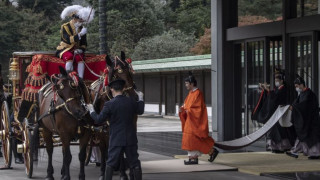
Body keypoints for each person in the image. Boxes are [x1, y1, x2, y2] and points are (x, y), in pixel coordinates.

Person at [87, 79, 144, 180]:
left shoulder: (109, 104)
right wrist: (140, 99)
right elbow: (140, 111)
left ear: (112, 89)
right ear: (123, 89)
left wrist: (91, 110)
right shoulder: (131, 101)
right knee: (134, 163)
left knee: (111, 163)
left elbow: (99, 119)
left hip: (116, 139)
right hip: (131, 139)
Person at [179, 72, 219, 165]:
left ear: (192, 83)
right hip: (191, 120)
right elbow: (187, 105)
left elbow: (198, 108)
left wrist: (188, 110)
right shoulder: (191, 93)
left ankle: (195, 157)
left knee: (193, 138)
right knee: (194, 139)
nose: (186, 85)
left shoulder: (198, 93)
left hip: (195, 120)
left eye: (187, 83)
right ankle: (210, 152)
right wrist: (183, 108)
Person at [251, 69, 295, 153]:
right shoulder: (277, 89)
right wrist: (266, 91)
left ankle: (281, 147)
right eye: (275, 80)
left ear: (282, 80)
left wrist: (268, 90)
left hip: (281, 113)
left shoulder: (284, 89)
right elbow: (272, 96)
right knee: (275, 131)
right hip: (275, 113)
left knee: (280, 131)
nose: (276, 81)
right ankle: (275, 147)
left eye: (277, 80)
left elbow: (275, 99)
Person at [56, 5, 95, 79]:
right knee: (69, 57)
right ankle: (67, 77)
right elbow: (68, 40)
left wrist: (81, 49)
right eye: (80, 20)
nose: (82, 22)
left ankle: (81, 78)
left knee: (80, 58)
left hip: (76, 50)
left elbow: (84, 43)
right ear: (75, 19)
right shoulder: (65, 26)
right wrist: (80, 34)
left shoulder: (82, 28)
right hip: (65, 48)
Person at [286, 76, 320, 159]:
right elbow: (296, 104)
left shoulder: (309, 94)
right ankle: (297, 152)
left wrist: (294, 108)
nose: (296, 88)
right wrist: (292, 106)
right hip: (307, 120)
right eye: (295, 86)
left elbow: (304, 106)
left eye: (297, 86)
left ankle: (297, 152)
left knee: (308, 137)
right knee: (304, 136)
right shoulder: (302, 94)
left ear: (302, 85)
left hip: (311, 121)